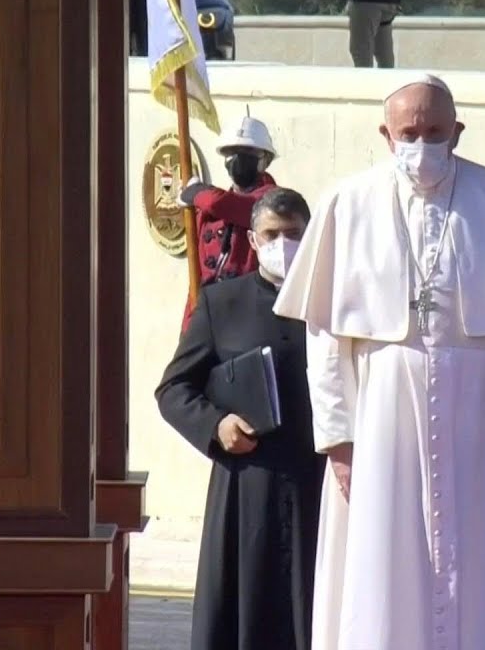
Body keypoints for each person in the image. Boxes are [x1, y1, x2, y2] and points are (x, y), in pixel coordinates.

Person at [274, 74, 485, 650]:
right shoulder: (347, 203)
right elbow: (324, 334)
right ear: (386, 135)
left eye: (435, 131)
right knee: (386, 564)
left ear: (457, 132)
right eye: (409, 132)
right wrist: (339, 438)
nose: (422, 144)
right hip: (382, 415)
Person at [156, 188, 326, 650]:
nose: (283, 245)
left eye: (293, 234)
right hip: (246, 487)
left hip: (320, 485)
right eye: (272, 235)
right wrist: (216, 426)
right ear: (253, 239)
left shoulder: (334, 303)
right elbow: (174, 389)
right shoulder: (221, 304)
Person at [177, 115, 280, 331]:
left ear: (265, 160)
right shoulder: (207, 208)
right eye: (231, 152)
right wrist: (189, 327)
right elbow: (197, 273)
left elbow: (227, 204)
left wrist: (195, 192)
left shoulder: (272, 202)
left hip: (247, 318)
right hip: (207, 316)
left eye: (248, 153)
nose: (238, 159)